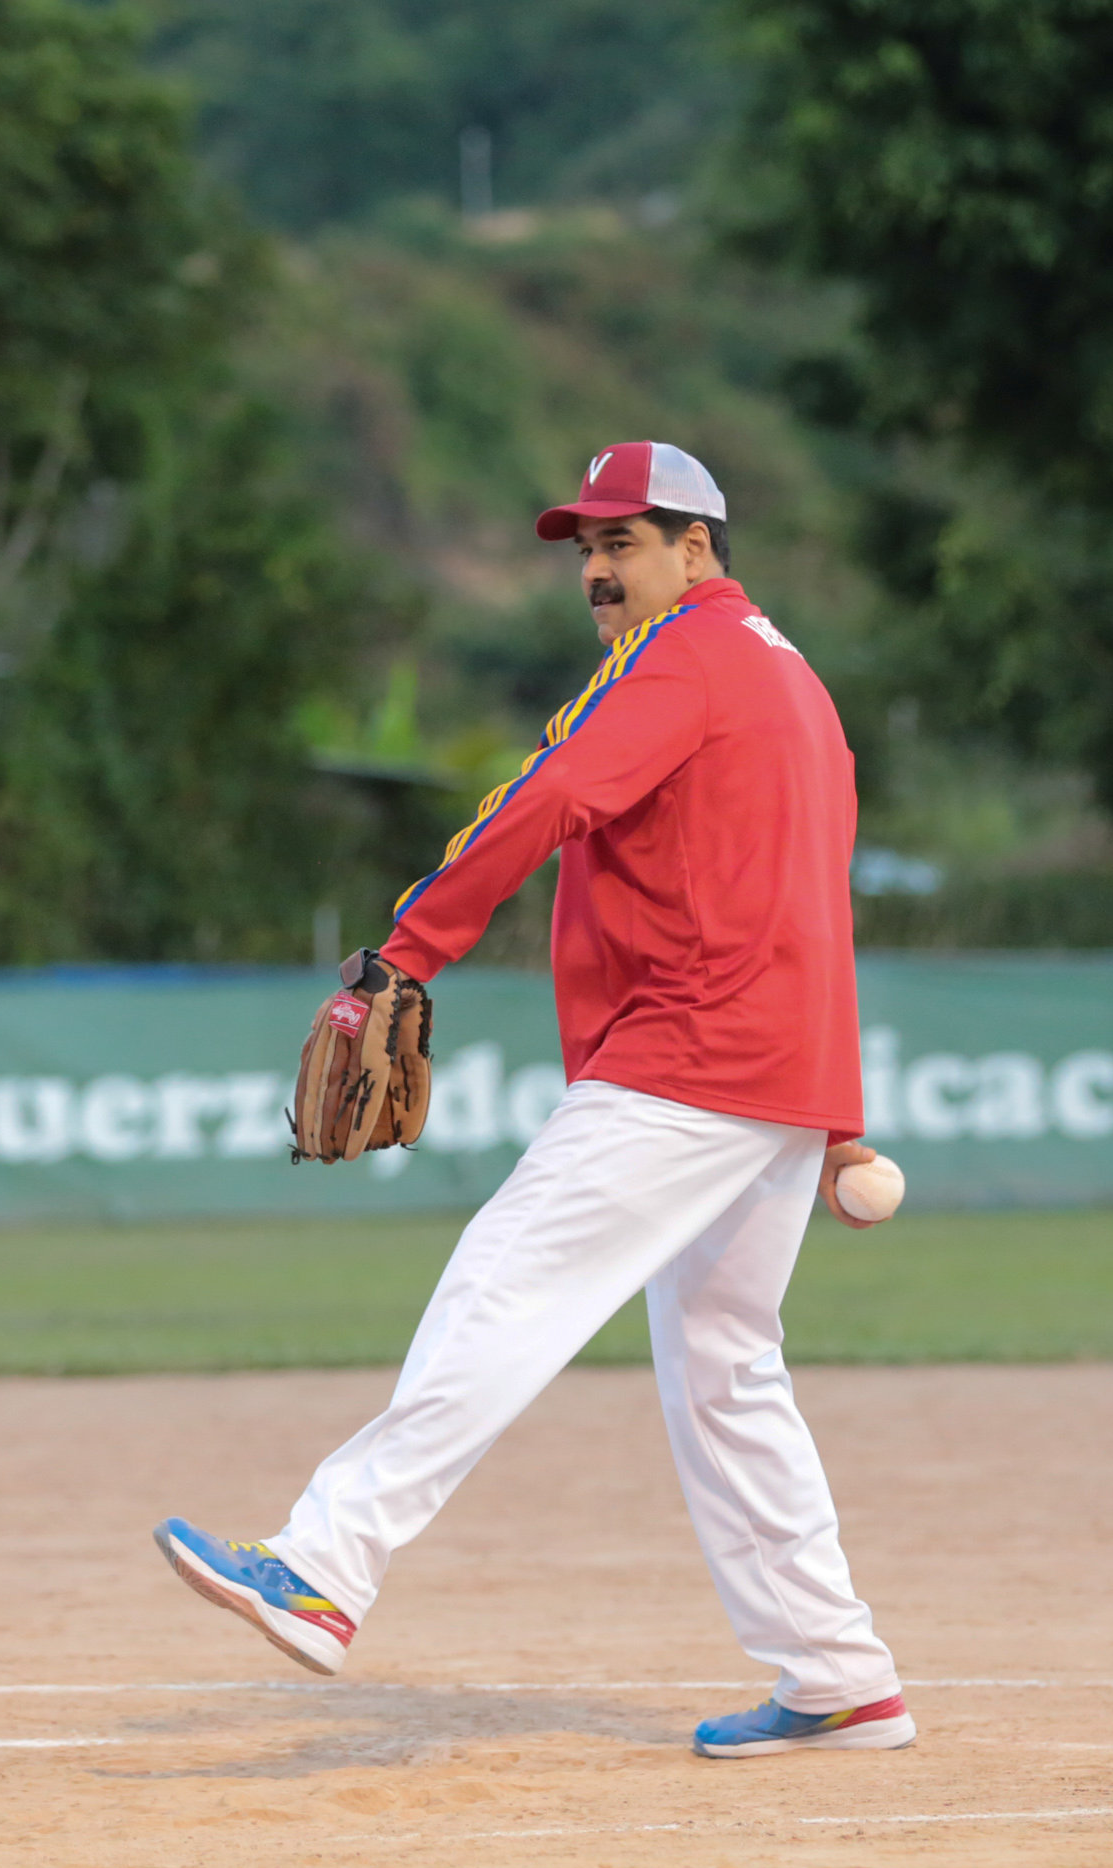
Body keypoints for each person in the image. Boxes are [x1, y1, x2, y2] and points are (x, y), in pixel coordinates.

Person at [155, 440, 911, 1759]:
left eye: (624, 543)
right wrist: (832, 1109)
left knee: (506, 1283)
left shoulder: (679, 662)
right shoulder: (796, 681)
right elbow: (806, 893)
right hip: (770, 1067)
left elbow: (548, 794)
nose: (599, 573)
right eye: (585, 550)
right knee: (727, 1372)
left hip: (684, 1054)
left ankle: (325, 1564)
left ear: (698, 548)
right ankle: (837, 1671)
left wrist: (410, 944)